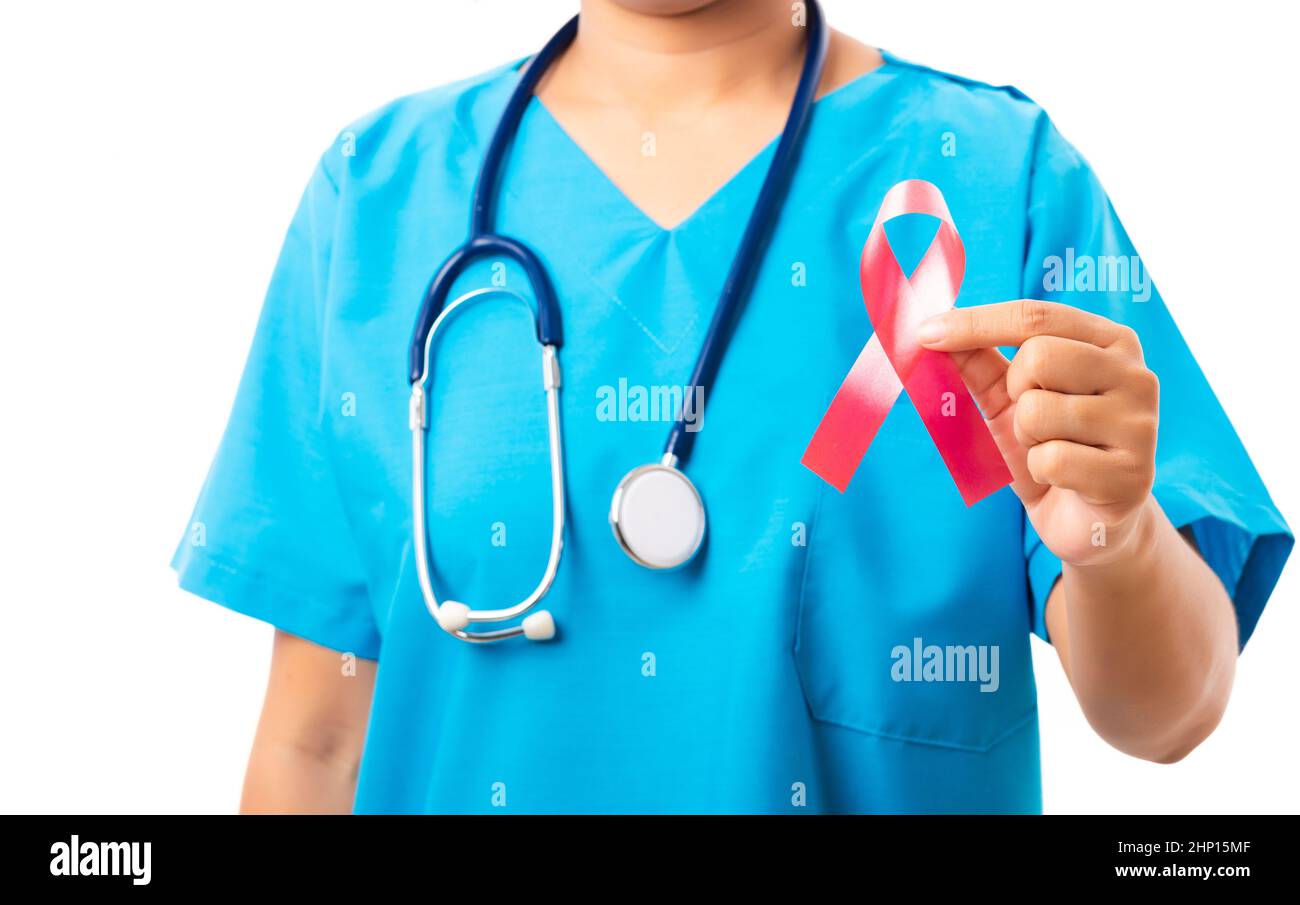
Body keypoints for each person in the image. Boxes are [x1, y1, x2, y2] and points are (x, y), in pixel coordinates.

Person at [173, 0, 1291, 813]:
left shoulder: (997, 184)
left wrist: (1120, 541)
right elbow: (317, 742)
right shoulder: (377, 196)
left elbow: (1171, 715)